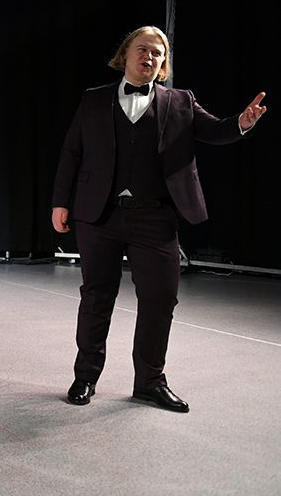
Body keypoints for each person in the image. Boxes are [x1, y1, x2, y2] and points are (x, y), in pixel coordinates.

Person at [52, 26, 266, 412]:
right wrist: (59, 202)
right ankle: (85, 377)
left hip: (156, 217)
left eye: (157, 52)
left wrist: (242, 122)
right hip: (99, 215)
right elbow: (71, 152)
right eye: (142, 49)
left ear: (163, 62)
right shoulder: (94, 98)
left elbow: (215, 130)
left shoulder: (181, 101)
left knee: (160, 299)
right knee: (96, 296)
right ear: (125, 54)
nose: (149, 57)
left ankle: (150, 382)